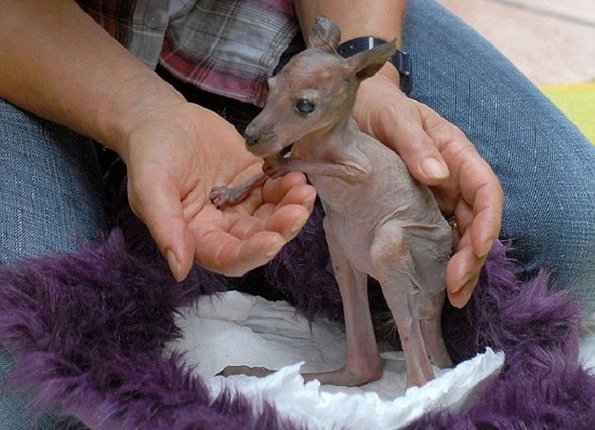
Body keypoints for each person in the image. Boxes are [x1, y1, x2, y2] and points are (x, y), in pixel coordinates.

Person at [0, 0, 592, 428]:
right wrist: (142, 113)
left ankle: (419, 376)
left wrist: (374, 83)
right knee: (25, 376)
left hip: (257, 25)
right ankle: (359, 356)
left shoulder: (332, 113)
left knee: (574, 230)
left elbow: (346, 167)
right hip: (50, 32)